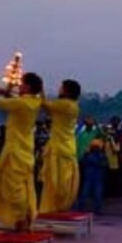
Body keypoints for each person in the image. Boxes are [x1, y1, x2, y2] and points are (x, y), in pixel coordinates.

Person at [0, 73, 43, 231]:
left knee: (15, 188)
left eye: (22, 84)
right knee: (24, 187)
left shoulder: (21, 103)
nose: (19, 86)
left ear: (28, 87)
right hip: (26, 151)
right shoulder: (35, 101)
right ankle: (25, 220)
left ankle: (21, 220)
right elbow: (8, 99)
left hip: (15, 152)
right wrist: (4, 92)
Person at [39, 79, 81, 214]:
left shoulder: (64, 104)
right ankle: (60, 208)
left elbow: (44, 105)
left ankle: (51, 210)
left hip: (59, 148)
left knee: (54, 183)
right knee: (64, 182)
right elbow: (50, 112)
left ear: (66, 90)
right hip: (68, 147)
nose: (59, 89)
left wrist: (40, 90)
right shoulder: (74, 105)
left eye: (61, 87)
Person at [76, 140, 107, 214]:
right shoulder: (87, 154)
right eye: (93, 147)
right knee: (85, 193)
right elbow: (82, 162)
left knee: (97, 194)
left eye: (96, 147)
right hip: (89, 176)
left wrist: (98, 160)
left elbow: (104, 164)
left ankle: (97, 209)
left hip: (97, 176)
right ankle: (81, 207)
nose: (95, 148)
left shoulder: (101, 155)